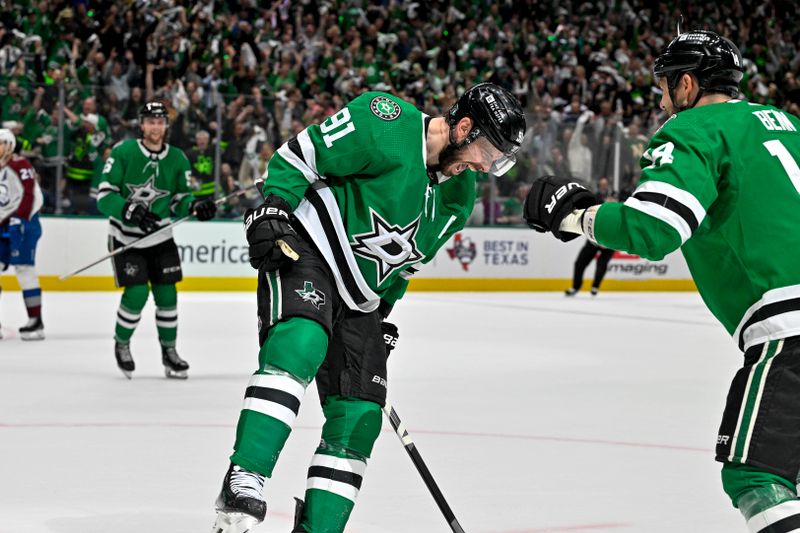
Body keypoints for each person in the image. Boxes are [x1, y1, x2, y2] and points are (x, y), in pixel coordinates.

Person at [212, 83, 526, 533]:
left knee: (360, 417)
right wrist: (275, 207)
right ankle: (245, 478)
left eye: (497, 160)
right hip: (310, 249)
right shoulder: (387, 119)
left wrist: (384, 317)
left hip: (362, 299)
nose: (485, 165)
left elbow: (404, 265)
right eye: (486, 151)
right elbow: (302, 154)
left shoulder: (459, 197)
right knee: (301, 342)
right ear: (462, 127)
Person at [524, 30, 800, 532]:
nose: (662, 99)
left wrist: (574, 215)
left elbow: (654, 229)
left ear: (688, 84)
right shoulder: (789, 127)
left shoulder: (695, 129)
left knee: (757, 474)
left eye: (665, 87)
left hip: (790, 328)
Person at [95, 102, 217, 379]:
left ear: (166, 126)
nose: (155, 127)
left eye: (160, 122)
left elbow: (179, 199)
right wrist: (130, 211)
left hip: (161, 236)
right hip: (125, 236)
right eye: (150, 121)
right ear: (141, 125)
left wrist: (195, 206)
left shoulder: (177, 158)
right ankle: (122, 343)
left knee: (167, 295)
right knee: (136, 293)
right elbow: (104, 196)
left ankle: (169, 352)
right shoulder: (122, 152)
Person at [0, 128, 45, 340]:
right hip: (4, 225)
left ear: (9, 145)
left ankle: (35, 322)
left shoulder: (21, 165)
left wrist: (21, 219)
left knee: (24, 269)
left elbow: (30, 194)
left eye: (1, 143)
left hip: (23, 224)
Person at [564, 178, 617, 296]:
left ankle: (595, 287)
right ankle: (575, 287)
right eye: (602, 184)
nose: (604, 186)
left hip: (609, 243)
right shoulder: (596, 199)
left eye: (605, 184)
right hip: (594, 239)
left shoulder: (616, 202)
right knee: (580, 263)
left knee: (601, 265)